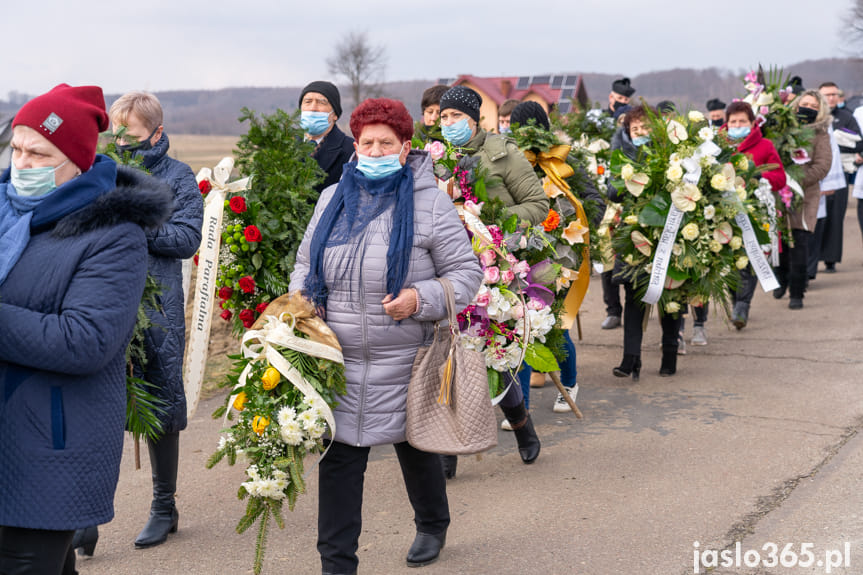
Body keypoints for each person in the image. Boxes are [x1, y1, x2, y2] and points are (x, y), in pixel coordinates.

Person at [290, 98, 482, 574]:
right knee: (339, 469)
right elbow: (303, 262)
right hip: (338, 359)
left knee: (415, 451)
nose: (375, 150)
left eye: (386, 143)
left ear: (405, 148)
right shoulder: (331, 198)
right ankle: (337, 564)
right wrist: (302, 299)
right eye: (367, 142)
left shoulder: (430, 202)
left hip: (406, 359)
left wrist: (421, 298)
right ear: (355, 146)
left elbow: (466, 273)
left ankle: (433, 523)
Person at [0, 84, 172, 574]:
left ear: (76, 161)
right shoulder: (5, 211)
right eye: (16, 148)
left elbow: (86, 341)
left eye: (39, 153)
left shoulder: (113, 235)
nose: (22, 164)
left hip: (48, 445)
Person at [66, 92, 205, 555]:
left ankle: (164, 507)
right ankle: (85, 517)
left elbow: (186, 238)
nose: (124, 143)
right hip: (101, 301)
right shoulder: (98, 170)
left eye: (134, 135)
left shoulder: (178, 177)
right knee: (95, 407)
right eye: (117, 134)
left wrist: (131, 222)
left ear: (157, 133)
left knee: (161, 402)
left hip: (157, 306)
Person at [438, 85, 546, 466]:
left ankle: (521, 425)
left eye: (455, 117)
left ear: (474, 119)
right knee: (447, 353)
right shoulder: (436, 158)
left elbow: (538, 204)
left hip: (492, 266)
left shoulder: (503, 154)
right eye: (443, 117)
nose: (447, 123)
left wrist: (496, 224)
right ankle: (449, 446)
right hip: (445, 268)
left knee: (492, 352)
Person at [508, 100, 606, 412]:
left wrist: (572, 227)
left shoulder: (561, 161)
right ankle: (520, 406)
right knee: (519, 327)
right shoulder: (507, 162)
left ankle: (570, 383)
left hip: (558, 258)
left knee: (553, 325)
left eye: (530, 128)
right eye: (517, 129)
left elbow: (592, 200)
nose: (524, 135)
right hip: (516, 255)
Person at [607, 104, 683, 378]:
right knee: (634, 295)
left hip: (668, 230)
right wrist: (627, 179)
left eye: (644, 128)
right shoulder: (622, 156)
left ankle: (670, 352)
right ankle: (631, 359)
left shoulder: (672, 154)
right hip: (634, 234)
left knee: (670, 294)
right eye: (634, 129)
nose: (639, 133)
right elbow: (612, 193)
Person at [722, 101, 787, 326]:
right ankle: (735, 300)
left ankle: (743, 305)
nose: (737, 125)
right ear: (726, 123)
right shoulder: (718, 146)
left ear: (752, 124)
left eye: (742, 121)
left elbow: (780, 178)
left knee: (750, 258)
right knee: (728, 260)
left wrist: (760, 178)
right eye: (733, 122)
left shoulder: (764, 146)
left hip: (754, 212)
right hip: (724, 212)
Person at [773, 91, 833, 309]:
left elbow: (822, 166)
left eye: (813, 105)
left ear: (820, 110)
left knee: (799, 243)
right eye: (804, 103)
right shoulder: (783, 129)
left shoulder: (820, 134)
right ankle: (781, 278)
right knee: (780, 243)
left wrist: (796, 181)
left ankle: (797, 292)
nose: (807, 108)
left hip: (805, 195)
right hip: (779, 193)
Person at [817, 82, 863, 273]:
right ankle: (811, 262)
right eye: (827, 94)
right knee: (817, 218)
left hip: (840, 173)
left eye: (834, 94)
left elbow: (859, 143)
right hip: (817, 175)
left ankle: (831, 259)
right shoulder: (814, 119)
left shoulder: (846, 117)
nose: (831, 98)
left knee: (835, 217)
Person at [299, 81, 354, 193]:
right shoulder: (285, 145)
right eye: (307, 102)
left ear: (335, 114)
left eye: (321, 102)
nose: (313, 108)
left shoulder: (350, 150)